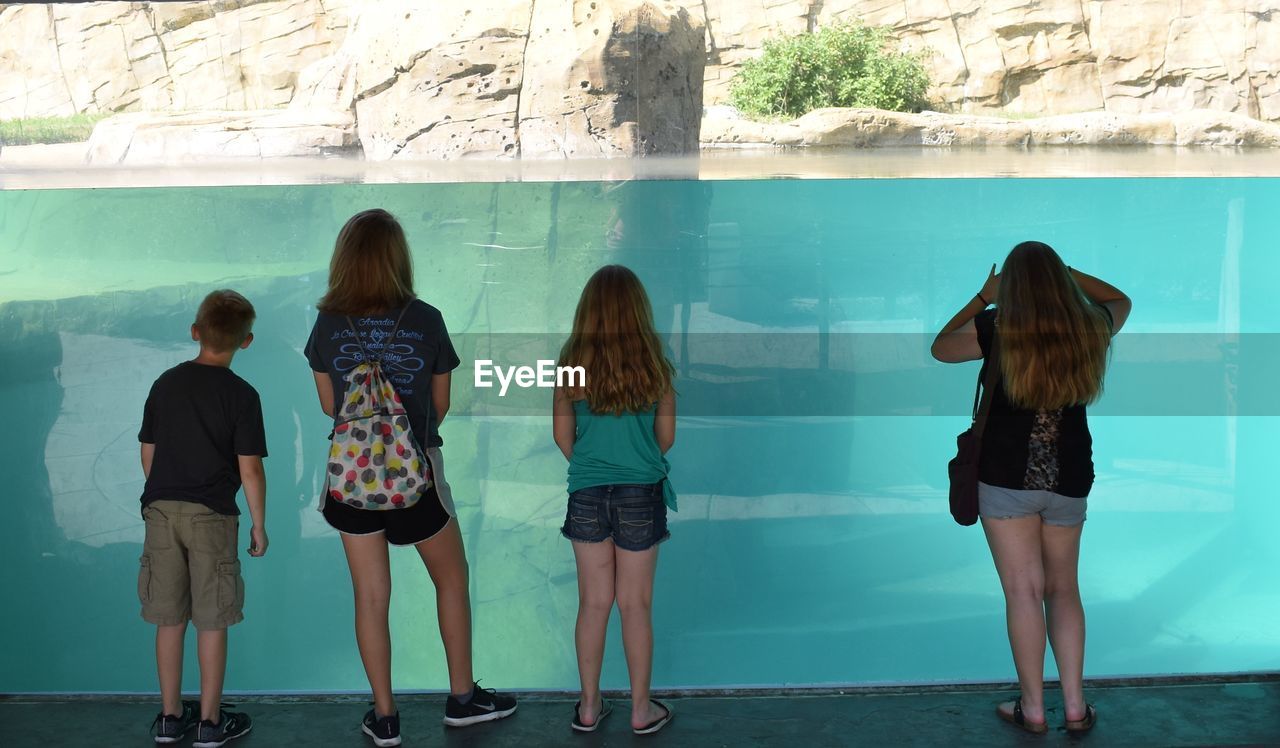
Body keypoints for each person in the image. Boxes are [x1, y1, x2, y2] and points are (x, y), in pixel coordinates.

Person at [304, 209, 516, 747]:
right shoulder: (426, 319)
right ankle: (463, 699)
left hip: (351, 479)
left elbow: (331, 405)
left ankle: (386, 715)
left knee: (371, 596)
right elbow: (439, 407)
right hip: (416, 471)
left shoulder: (327, 324)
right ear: (399, 257)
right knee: (450, 579)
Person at [931, 241, 1131, 735]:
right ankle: (1077, 708)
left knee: (1024, 593)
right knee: (1064, 592)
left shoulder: (996, 327)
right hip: (1068, 477)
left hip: (1006, 478)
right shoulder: (1089, 328)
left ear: (1013, 287)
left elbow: (939, 347)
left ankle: (1035, 709)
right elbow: (1121, 300)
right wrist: (1064, 273)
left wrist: (984, 296)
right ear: (1060, 281)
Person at [138, 289, 268, 747]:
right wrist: (258, 523)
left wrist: (166, 493)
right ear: (245, 341)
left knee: (168, 618)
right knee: (211, 620)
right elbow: (250, 468)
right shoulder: (242, 395)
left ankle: (171, 717)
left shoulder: (166, 383)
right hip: (212, 517)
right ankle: (210, 723)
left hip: (161, 511)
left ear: (195, 332)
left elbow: (148, 452)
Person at [553, 265, 677, 736]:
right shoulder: (655, 365)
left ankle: (588, 706)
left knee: (593, 603)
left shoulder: (570, 366)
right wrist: (634, 462)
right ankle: (641, 711)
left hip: (585, 492)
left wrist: (591, 467)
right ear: (638, 312)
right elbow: (665, 438)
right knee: (635, 605)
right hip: (641, 493)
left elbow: (562, 436)